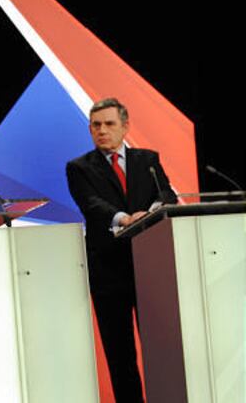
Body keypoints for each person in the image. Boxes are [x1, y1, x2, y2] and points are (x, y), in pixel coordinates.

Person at [66, 97, 176, 402]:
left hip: (150, 267)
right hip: (108, 272)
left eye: (109, 124)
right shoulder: (79, 168)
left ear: (125, 127)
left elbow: (166, 193)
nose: (102, 131)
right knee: (120, 355)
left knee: (161, 349)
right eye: (95, 125)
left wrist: (152, 212)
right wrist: (126, 219)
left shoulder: (148, 159)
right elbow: (91, 204)